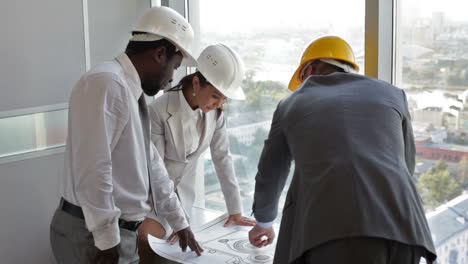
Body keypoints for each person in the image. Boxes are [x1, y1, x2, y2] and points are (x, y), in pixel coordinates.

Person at [248, 36, 437, 264]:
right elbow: (406, 164)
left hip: (332, 233)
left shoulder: (291, 104)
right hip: (406, 228)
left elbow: (272, 171)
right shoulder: (393, 94)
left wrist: (264, 222)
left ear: (310, 68)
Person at [49, 6, 204, 264]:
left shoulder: (129, 92)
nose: (172, 78)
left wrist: (179, 221)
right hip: (92, 235)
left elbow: (151, 165)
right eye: (174, 67)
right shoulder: (106, 84)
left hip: (114, 233)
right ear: (160, 53)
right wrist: (107, 240)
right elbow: (93, 169)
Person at [138, 43, 256, 262]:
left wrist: (235, 210)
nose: (219, 104)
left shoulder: (215, 113)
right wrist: (177, 221)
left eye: (224, 99)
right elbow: (157, 173)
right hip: (154, 200)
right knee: (146, 242)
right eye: (215, 96)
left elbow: (223, 159)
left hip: (185, 201)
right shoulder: (158, 111)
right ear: (196, 83)